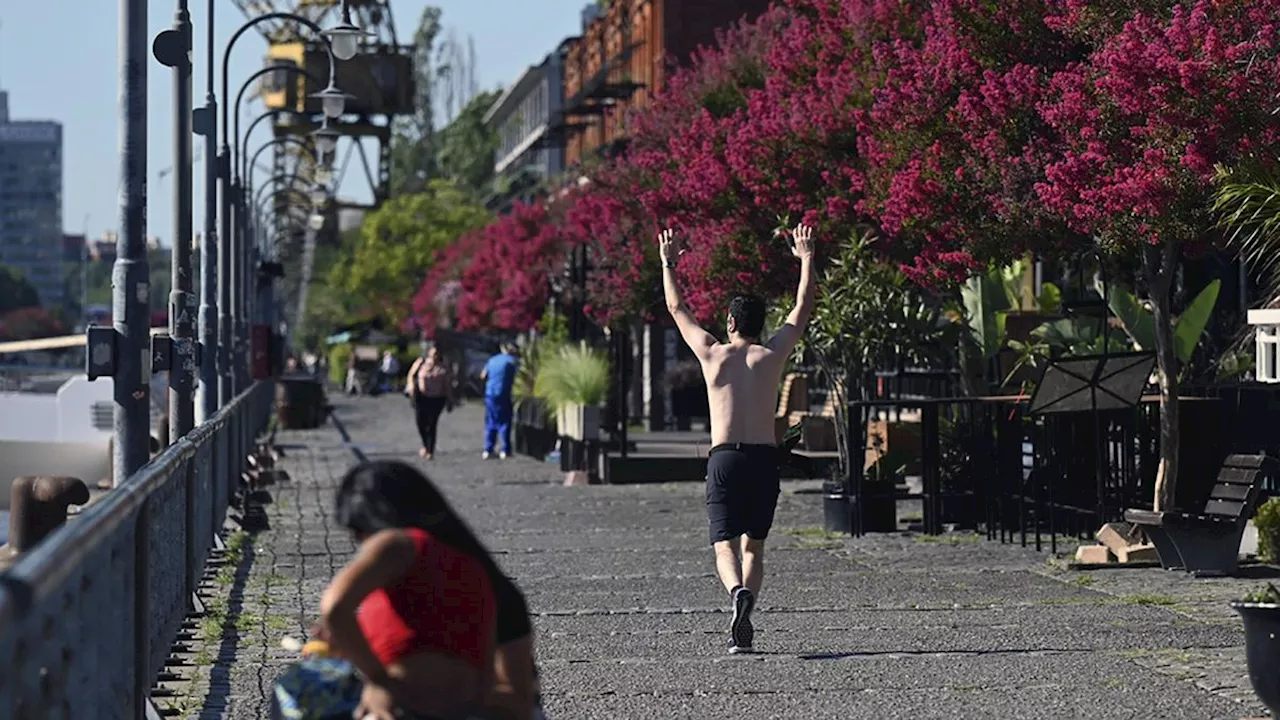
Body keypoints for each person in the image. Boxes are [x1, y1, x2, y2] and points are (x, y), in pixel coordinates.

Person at [659, 223, 816, 654]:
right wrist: (806, 258)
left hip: (724, 459)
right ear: (760, 325)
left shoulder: (712, 354)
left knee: (723, 544)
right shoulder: (771, 355)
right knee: (756, 548)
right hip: (764, 459)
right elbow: (802, 308)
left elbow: (676, 307)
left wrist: (669, 262)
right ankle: (745, 616)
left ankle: (736, 595)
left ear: (730, 322)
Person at [322, 460, 542, 720]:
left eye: (358, 532)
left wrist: (381, 681)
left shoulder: (397, 543)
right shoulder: (477, 572)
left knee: (301, 688)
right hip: (473, 709)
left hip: (413, 709)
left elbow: (334, 607)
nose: (359, 545)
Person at [405, 346, 454, 459]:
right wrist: (411, 386)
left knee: (432, 424)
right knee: (420, 423)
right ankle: (425, 445)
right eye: (433, 353)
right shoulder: (421, 362)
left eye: (437, 354)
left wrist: (450, 400)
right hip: (421, 397)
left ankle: (430, 451)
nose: (435, 356)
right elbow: (411, 375)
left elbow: (448, 386)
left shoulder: (444, 368)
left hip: (437, 399)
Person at [479, 344, 519, 460]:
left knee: (491, 421)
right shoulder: (512, 361)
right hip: (503, 393)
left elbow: (483, 375)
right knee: (505, 421)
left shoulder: (492, 360)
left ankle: (488, 449)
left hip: (490, 393)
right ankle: (505, 449)